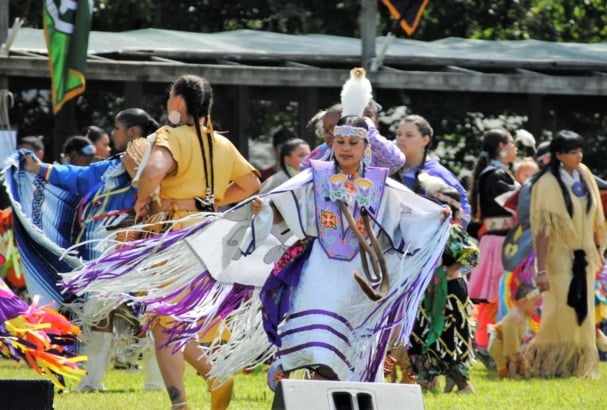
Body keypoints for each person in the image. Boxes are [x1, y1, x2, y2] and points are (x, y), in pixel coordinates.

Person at [252, 114, 450, 386]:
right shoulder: (315, 177)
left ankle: (324, 386)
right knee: (317, 335)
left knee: (348, 346)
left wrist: (435, 217)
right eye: (340, 141)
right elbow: (284, 206)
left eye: (353, 142)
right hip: (321, 268)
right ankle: (299, 373)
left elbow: (407, 215)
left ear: (366, 147)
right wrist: (264, 211)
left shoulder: (381, 184)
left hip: (360, 274)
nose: (345, 148)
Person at [129, 74, 260, 410]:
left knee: (163, 322)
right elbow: (250, 184)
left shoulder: (169, 135)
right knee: (167, 320)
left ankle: (201, 385)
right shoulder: (222, 143)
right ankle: (199, 387)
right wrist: (212, 200)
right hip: (206, 235)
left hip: (173, 235)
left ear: (177, 103)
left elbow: (152, 171)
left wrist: (143, 198)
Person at [21, 108, 163, 393]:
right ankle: (94, 380)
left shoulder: (157, 162)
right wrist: (39, 169)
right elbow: (79, 177)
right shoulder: (111, 166)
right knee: (102, 310)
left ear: (133, 132)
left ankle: (155, 382)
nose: (114, 134)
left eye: (118, 129)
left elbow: (156, 195)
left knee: (149, 311)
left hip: (138, 244)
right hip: (105, 247)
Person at [525, 130, 606, 378]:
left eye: (580, 150)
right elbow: (542, 230)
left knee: (583, 314)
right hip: (558, 259)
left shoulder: (584, 175)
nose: (579, 156)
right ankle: (546, 363)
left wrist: (598, 250)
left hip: (584, 257)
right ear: (559, 155)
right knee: (560, 312)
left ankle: (575, 365)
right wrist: (540, 270)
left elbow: (595, 218)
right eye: (573, 152)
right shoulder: (546, 184)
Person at [405, 183, 478, 394]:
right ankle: (425, 382)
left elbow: (472, 256)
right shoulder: (423, 230)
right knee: (419, 334)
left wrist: (448, 272)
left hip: (449, 293)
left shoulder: (452, 230)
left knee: (448, 337)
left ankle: (462, 383)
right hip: (424, 291)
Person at [467, 128, 518, 368]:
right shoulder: (495, 174)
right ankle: (487, 345)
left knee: (496, 296)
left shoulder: (495, 172)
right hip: (498, 242)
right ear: (501, 146)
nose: (515, 148)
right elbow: (511, 202)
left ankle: (487, 344)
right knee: (496, 295)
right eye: (512, 143)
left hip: (499, 240)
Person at [393, 114, 471, 227]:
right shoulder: (391, 170)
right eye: (399, 134)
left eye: (409, 135)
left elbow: (463, 213)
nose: (401, 139)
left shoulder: (438, 174)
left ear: (425, 140)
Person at [301, 101, 404, 174]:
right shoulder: (322, 153)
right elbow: (304, 173)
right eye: (325, 130)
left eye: (333, 129)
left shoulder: (370, 153)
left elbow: (396, 161)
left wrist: (369, 131)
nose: (328, 135)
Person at [489, 283, 541, 379]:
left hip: (507, 340)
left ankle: (514, 374)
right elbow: (512, 345)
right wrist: (517, 353)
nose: (536, 307)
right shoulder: (513, 320)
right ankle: (509, 377)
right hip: (497, 342)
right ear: (524, 303)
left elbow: (527, 329)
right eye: (535, 304)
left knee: (515, 356)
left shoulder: (524, 314)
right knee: (510, 359)